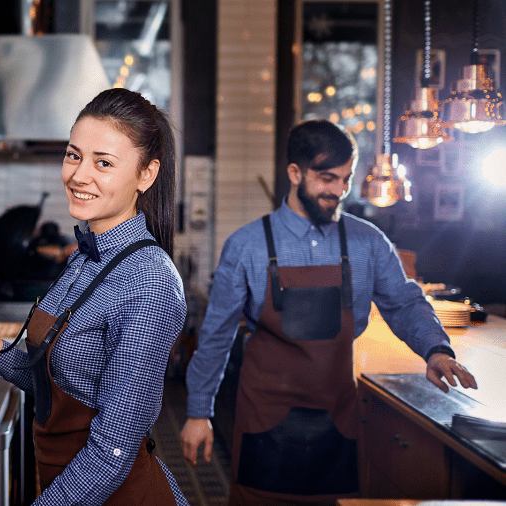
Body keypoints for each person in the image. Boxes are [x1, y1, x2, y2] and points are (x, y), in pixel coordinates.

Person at [181, 120, 478, 505]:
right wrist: (197, 412)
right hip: (265, 419)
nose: (339, 190)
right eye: (327, 178)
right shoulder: (247, 245)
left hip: (337, 419)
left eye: (346, 179)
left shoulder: (368, 242)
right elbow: (216, 337)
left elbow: (403, 301)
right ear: (294, 173)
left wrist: (436, 349)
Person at [0, 88, 190, 505]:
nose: (79, 175)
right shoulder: (84, 258)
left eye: (103, 163)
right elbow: (53, 380)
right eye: (73, 155)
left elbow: (111, 454)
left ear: (146, 174)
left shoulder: (149, 284)